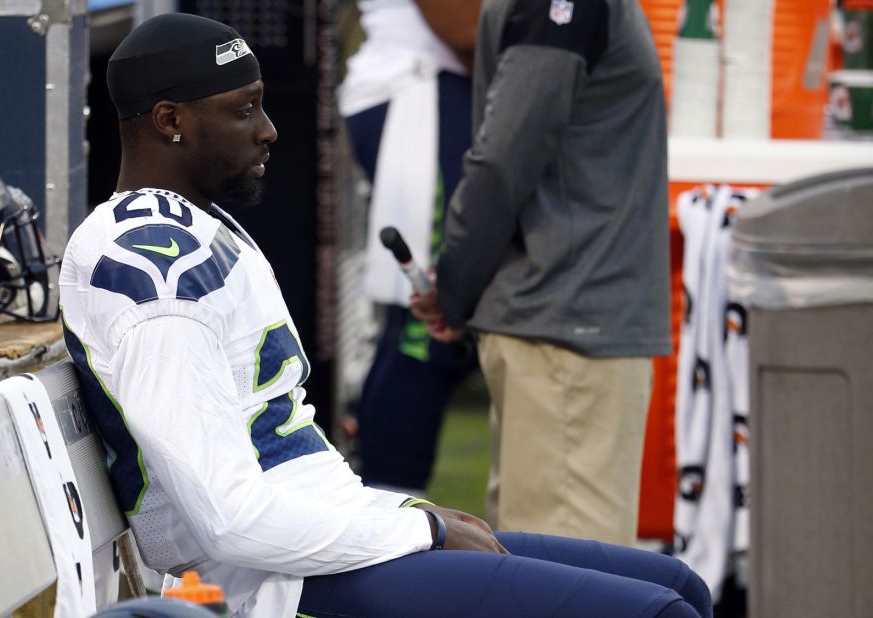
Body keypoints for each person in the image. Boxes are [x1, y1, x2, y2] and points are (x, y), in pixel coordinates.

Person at [59, 12, 707, 618]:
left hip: (319, 523)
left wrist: (398, 518)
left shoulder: (200, 226)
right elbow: (228, 520)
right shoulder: (147, 268)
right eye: (244, 109)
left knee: (677, 584)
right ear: (170, 120)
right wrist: (418, 526)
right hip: (263, 573)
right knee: (660, 612)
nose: (268, 129)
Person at [410, 0, 674, 546]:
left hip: (565, 322)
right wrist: (457, 283)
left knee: (546, 569)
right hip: (568, 324)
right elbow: (504, 158)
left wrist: (459, 284)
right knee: (572, 581)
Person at [337, 0, 481, 497]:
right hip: (418, 91)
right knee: (428, 326)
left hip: (430, 91)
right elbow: (463, 25)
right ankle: (391, 523)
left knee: (424, 324)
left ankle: (384, 511)